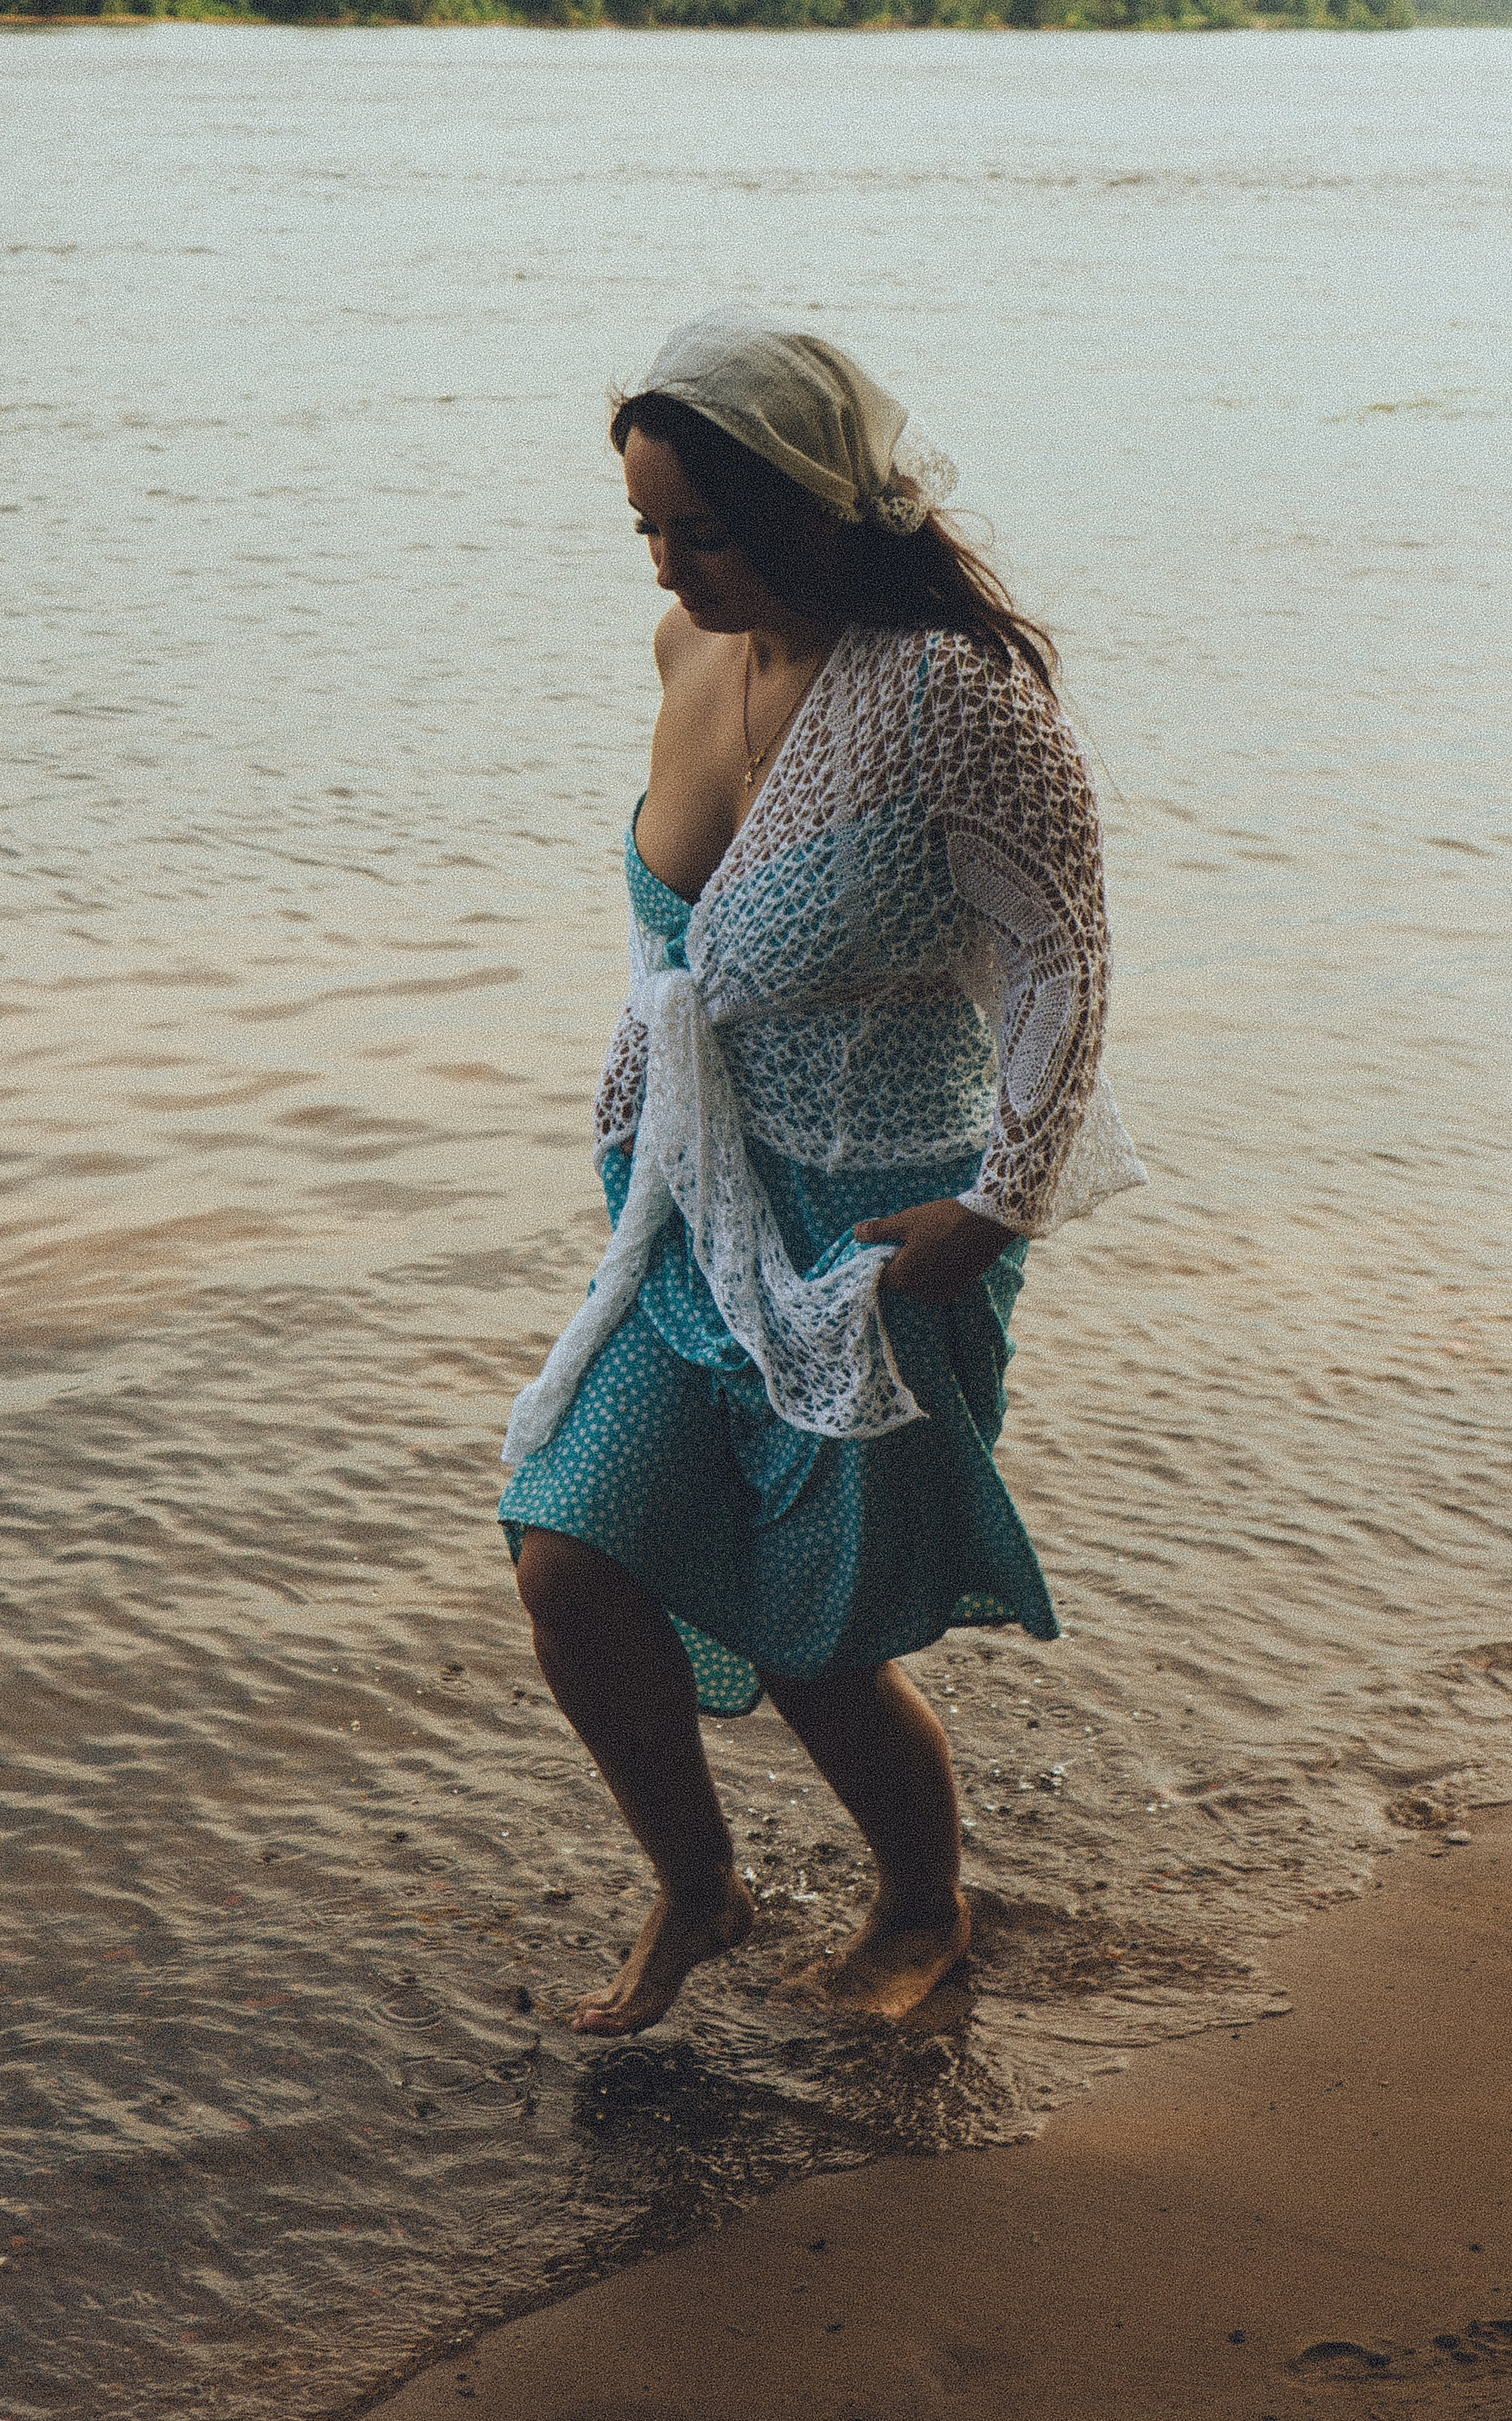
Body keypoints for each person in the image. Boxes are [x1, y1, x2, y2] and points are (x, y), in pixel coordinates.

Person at [498, 312, 1144, 2038]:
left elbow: (1065, 956)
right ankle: (699, 1886)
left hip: (877, 1230)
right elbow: (685, 948)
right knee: (566, 1551)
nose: (667, 563)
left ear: (808, 507)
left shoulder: (951, 700)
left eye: (702, 529)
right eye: (646, 526)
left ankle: (922, 1905)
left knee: (813, 1636)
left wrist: (997, 1206)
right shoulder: (685, 651)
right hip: (687, 1212)